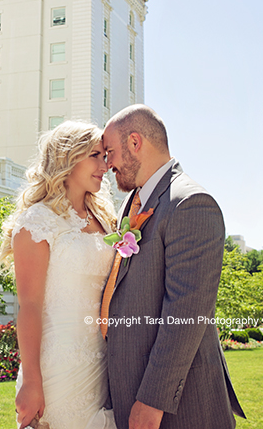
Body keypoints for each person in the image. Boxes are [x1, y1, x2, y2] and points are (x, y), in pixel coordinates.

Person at [100, 105, 246, 429]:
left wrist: (152, 400)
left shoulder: (190, 203)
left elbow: (186, 313)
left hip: (178, 407)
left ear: (135, 143)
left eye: (110, 152)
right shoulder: (131, 203)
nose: (107, 163)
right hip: (128, 392)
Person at [0, 121, 119, 429]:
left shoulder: (105, 219)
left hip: (103, 362)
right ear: (68, 157)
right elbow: (29, 307)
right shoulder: (37, 222)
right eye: (95, 155)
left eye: (105, 156)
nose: (104, 165)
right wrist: (32, 381)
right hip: (58, 369)